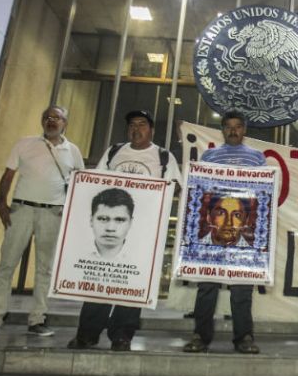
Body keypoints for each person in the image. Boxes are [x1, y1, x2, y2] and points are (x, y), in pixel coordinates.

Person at [67, 110, 182, 352]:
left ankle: (122, 335)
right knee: (100, 279)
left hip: (143, 232)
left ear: (151, 130)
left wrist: (164, 191)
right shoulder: (114, 151)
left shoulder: (163, 157)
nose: (136, 129)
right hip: (109, 228)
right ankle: (87, 334)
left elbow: (178, 189)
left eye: (141, 124)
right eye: (132, 125)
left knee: (132, 285)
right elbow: (95, 182)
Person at [0, 106, 84, 338]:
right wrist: (3, 204)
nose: (51, 121)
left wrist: (71, 214)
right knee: (6, 264)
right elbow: (8, 175)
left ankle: (38, 319)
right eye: (47, 117)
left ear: (65, 123)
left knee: (45, 268)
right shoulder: (24, 143)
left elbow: (80, 183)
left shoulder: (72, 151)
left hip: (52, 214)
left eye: (56, 118)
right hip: (21, 209)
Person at [183, 110, 267, 354]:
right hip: (213, 232)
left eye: (238, 126)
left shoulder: (256, 158)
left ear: (244, 129)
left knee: (242, 287)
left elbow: (263, 195)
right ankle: (200, 335)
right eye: (228, 126)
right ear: (222, 129)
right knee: (207, 285)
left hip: (243, 234)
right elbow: (201, 192)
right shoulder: (209, 156)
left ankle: (244, 337)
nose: (233, 130)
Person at [89, 188, 135, 260]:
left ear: (130, 223)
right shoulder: (73, 254)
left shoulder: (143, 259)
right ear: (91, 220)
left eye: (119, 220)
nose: (110, 228)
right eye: (103, 219)